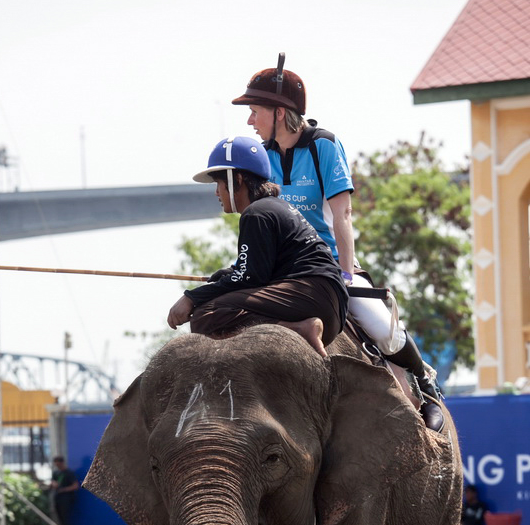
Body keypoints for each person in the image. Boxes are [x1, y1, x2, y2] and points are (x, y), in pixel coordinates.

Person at [231, 55, 444, 432]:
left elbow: (342, 217)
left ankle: (424, 385)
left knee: (380, 325)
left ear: (280, 113)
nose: (250, 120)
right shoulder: (260, 157)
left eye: (255, 111)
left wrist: (345, 273)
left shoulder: (324, 146)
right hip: (284, 274)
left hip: (329, 266)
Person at [167, 136, 349, 358]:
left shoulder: (256, 213)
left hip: (311, 294)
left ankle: (299, 329)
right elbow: (259, 268)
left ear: (238, 180)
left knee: (206, 315)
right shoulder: (274, 207)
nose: (216, 193)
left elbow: (251, 278)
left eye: (218, 183)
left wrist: (191, 297)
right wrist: (227, 275)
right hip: (331, 307)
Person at [50, 455, 79, 525]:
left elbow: (75, 486)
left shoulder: (68, 473)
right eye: (56, 465)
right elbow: (52, 483)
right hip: (57, 498)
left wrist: (64, 489)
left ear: (62, 463)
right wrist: (52, 484)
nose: (57, 466)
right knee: (60, 519)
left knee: (66, 518)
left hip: (66, 499)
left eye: (59, 464)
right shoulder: (55, 473)